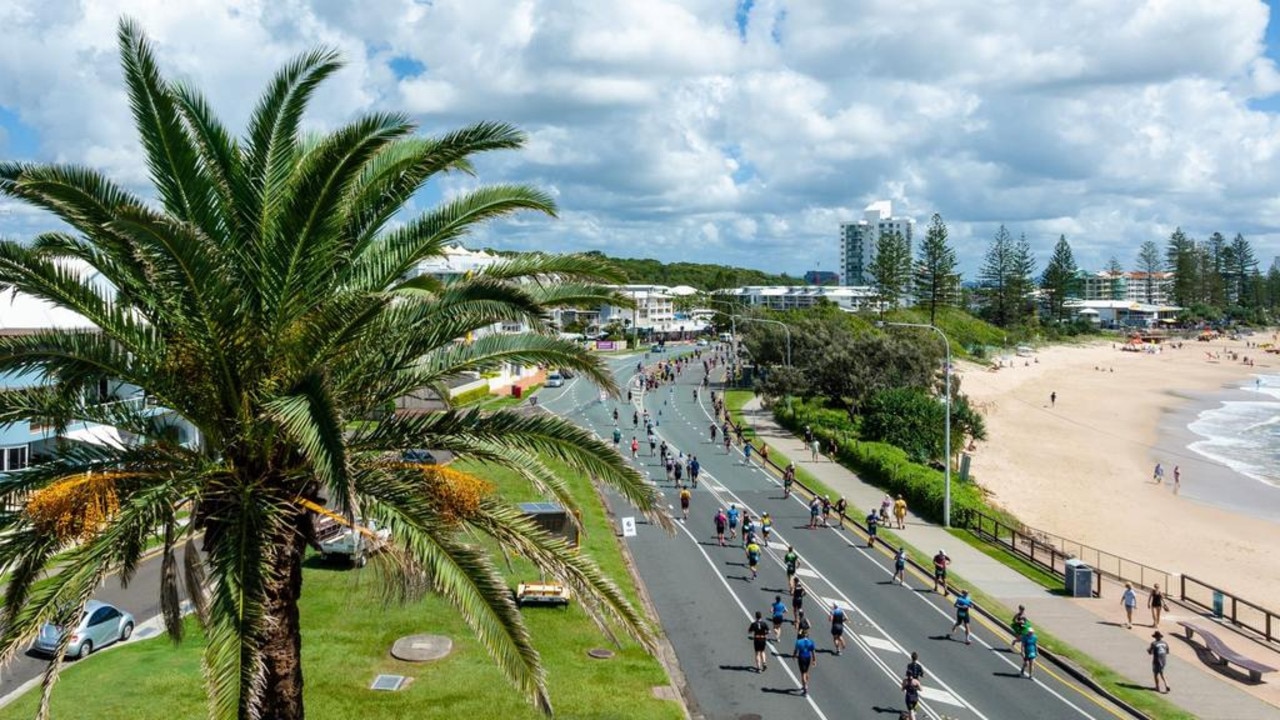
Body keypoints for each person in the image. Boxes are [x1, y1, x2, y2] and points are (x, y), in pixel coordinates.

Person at [793, 629, 817, 696]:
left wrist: (794, 656)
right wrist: (814, 660)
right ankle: (805, 684)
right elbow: (813, 652)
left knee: (803, 673)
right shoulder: (811, 642)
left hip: (801, 657)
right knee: (806, 671)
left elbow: (796, 650)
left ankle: (805, 687)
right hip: (808, 657)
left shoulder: (799, 641)